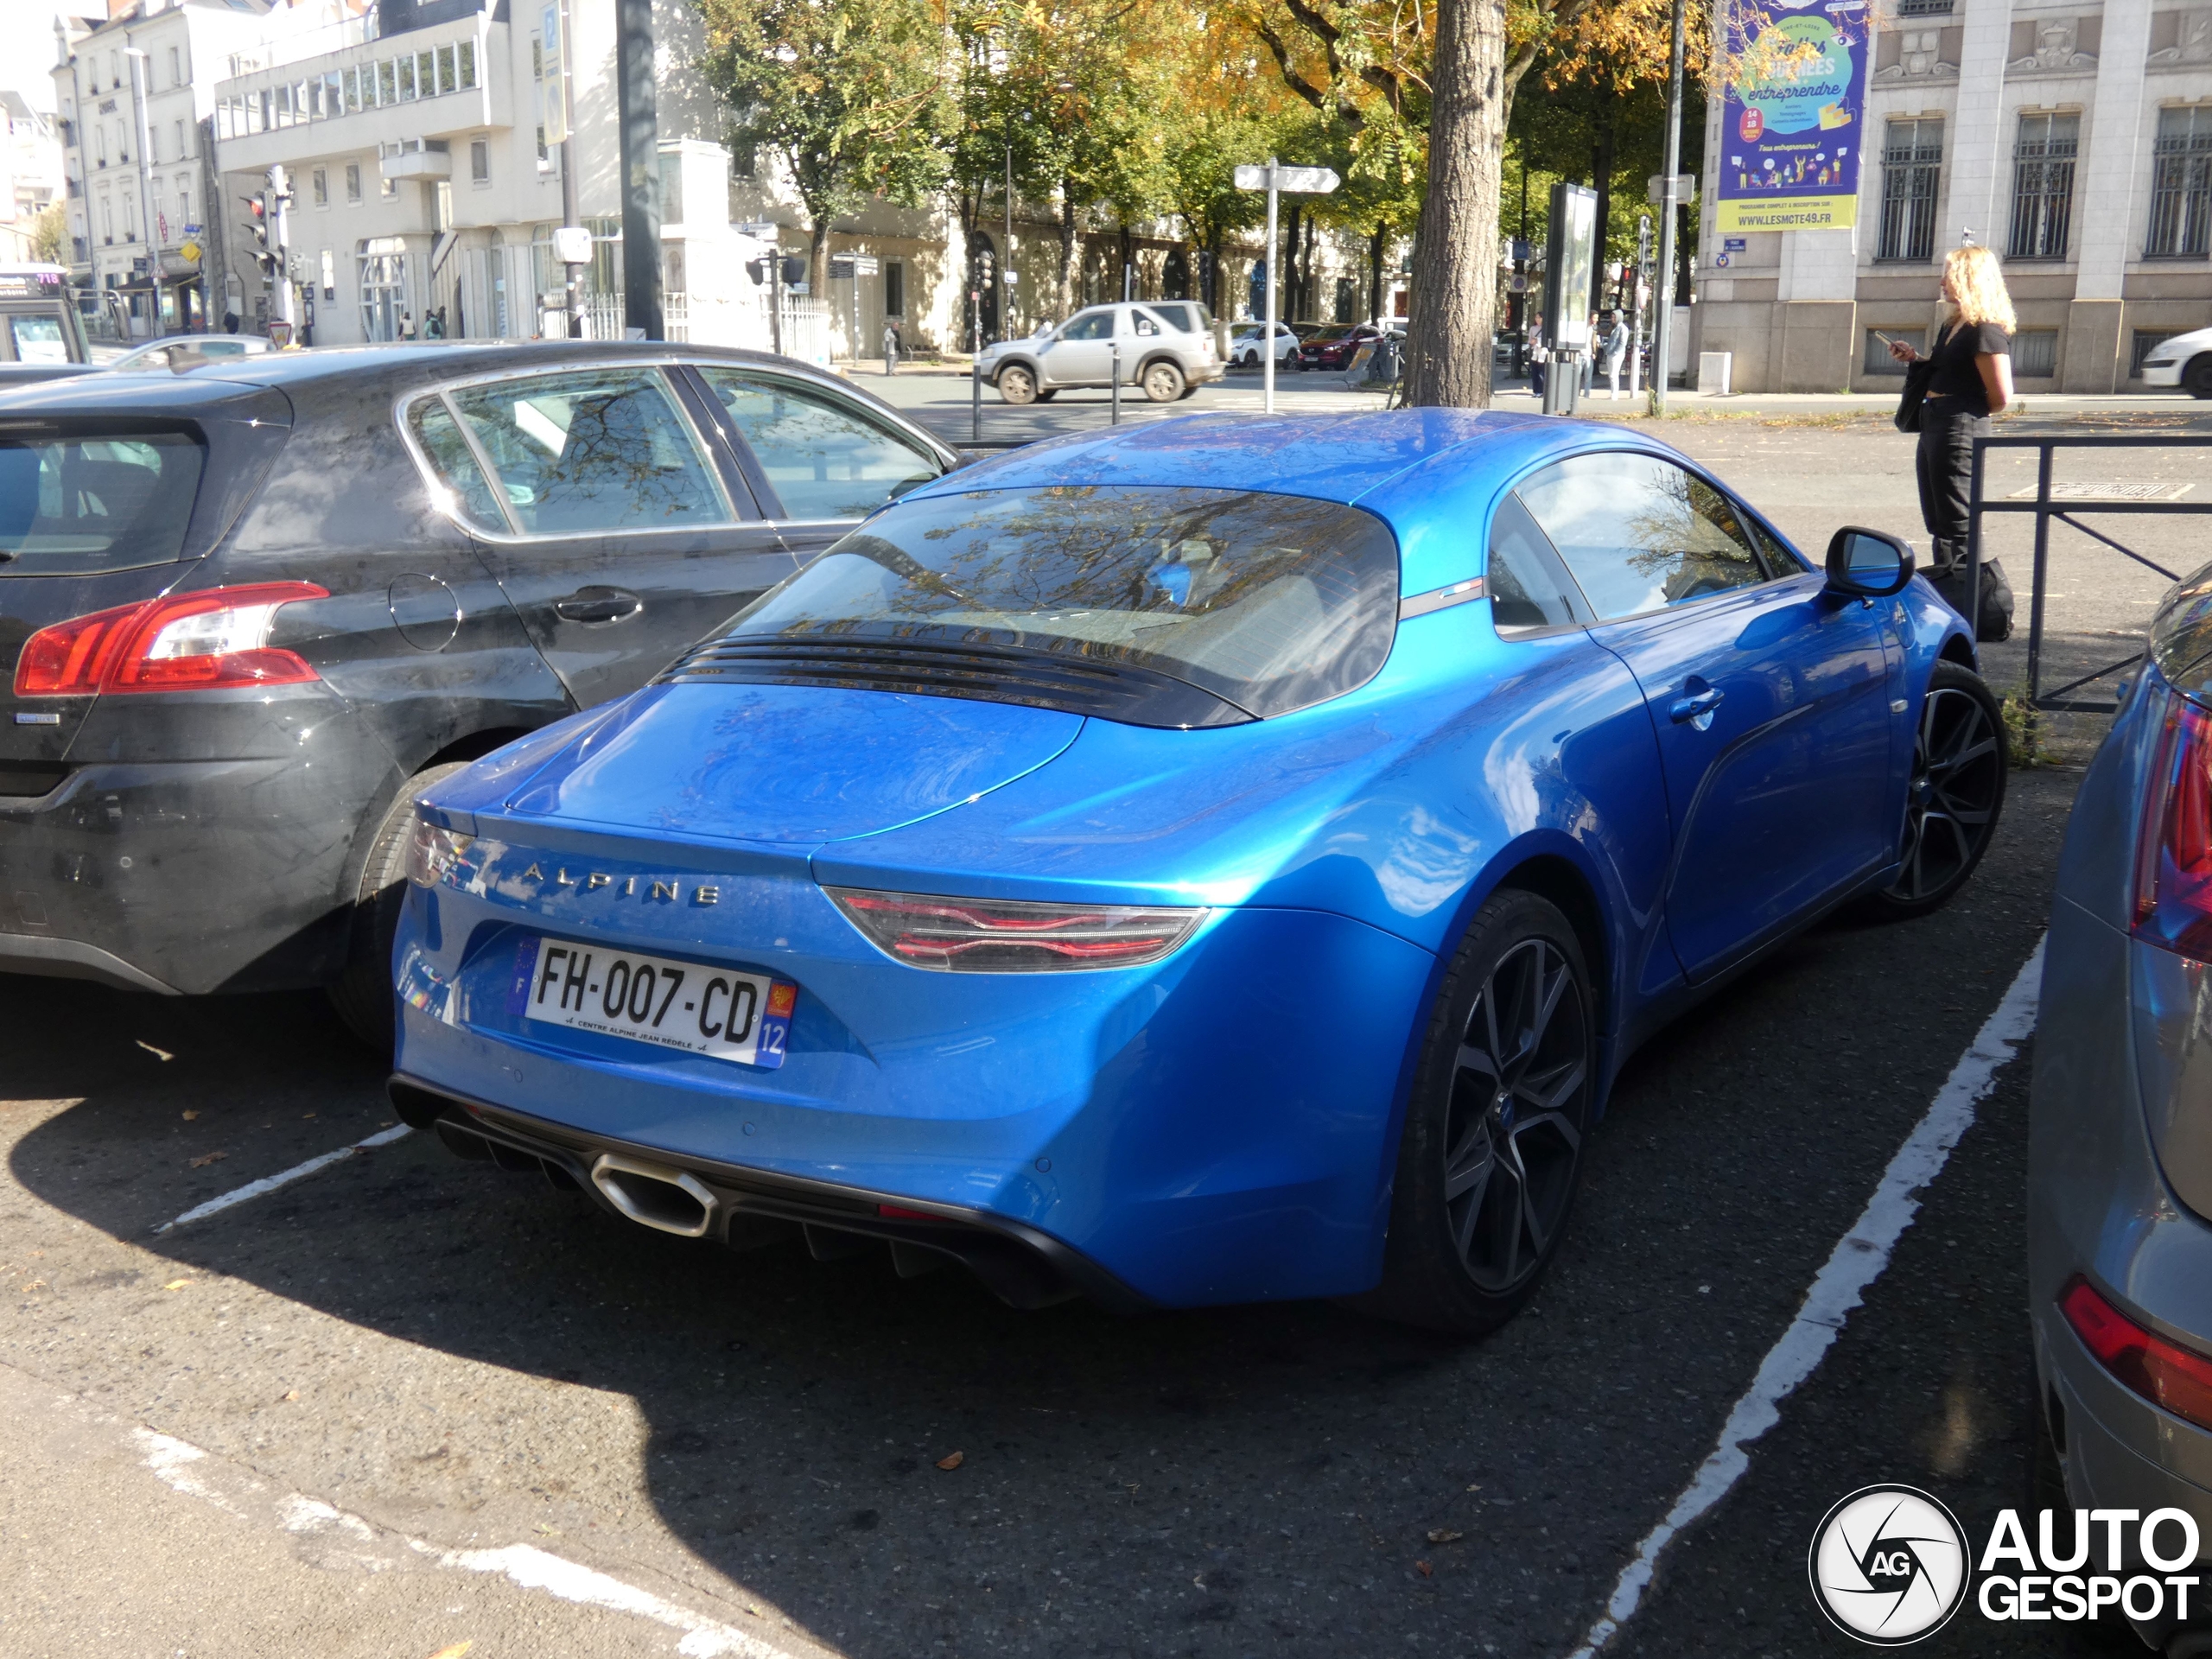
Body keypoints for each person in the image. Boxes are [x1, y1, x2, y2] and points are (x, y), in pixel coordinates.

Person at [1887, 244, 2017, 639]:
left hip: (1959, 428)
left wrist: (1958, 409)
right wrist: (1916, 361)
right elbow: (1951, 371)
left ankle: (1978, 609)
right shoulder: (1954, 324)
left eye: (1948, 273)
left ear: (1968, 278)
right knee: (1939, 520)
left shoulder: (1985, 329)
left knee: (1958, 523)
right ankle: (1954, 601)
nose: (1942, 281)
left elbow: (2000, 397)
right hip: (1935, 422)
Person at [1601, 311, 1630, 399]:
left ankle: (1615, 395)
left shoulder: (1623, 328)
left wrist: (1615, 352)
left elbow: (1622, 342)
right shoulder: (1614, 327)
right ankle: (1613, 393)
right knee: (1611, 375)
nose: (1612, 319)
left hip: (1617, 354)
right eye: (1612, 317)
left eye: (1614, 317)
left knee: (1614, 374)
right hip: (1610, 353)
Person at [1528, 311, 1547, 401]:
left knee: (1541, 372)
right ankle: (1535, 391)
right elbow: (1530, 340)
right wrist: (1532, 342)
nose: (1537, 319)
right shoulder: (1533, 328)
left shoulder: (1546, 329)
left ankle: (1541, 390)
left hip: (1542, 352)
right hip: (1534, 352)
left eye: (1539, 317)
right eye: (1536, 318)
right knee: (1534, 373)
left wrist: (1538, 341)